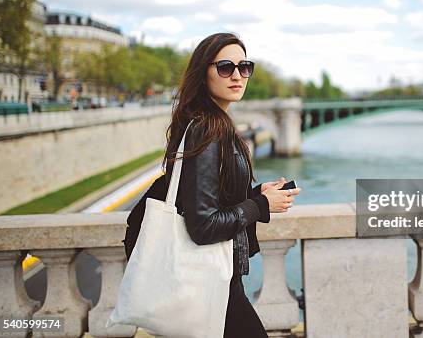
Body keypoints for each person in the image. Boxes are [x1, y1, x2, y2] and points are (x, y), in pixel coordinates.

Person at [122, 32, 302, 338]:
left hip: (217, 280)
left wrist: (255, 194)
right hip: (213, 283)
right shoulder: (208, 130)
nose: (237, 75)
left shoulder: (209, 123)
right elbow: (203, 225)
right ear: (203, 73)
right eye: (225, 67)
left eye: (244, 67)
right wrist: (260, 206)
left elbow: (203, 196)